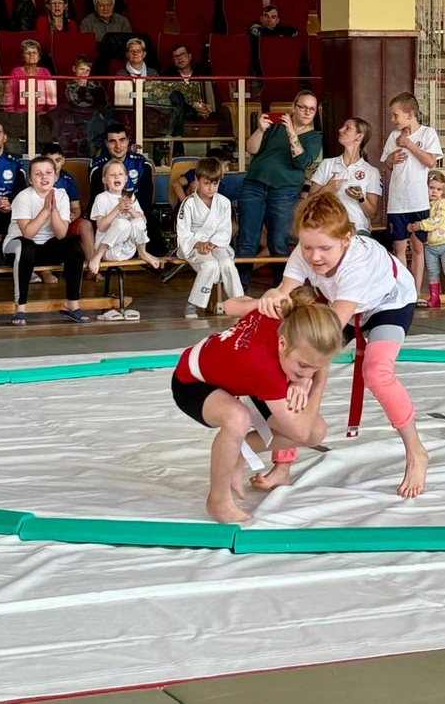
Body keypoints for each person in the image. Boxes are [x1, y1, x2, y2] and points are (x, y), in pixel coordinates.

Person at [256, 193, 429, 498]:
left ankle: (416, 451)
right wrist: (272, 295)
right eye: (308, 247)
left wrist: (306, 376)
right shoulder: (305, 253)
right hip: (339, 302)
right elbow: (285, 293)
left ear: (346, 240)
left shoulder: (357, 266)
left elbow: (331, 332)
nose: (315, 257)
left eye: (325, 249)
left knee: (376, 371)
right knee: (289, 360)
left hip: (389, 301)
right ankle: (282, 467)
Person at [172, 285, 344, 523]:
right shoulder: (266, 367)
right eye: (304, 366)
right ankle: (218, 500)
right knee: (237, 418)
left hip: (239, 380)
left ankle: (240, 451)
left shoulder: (287, 315)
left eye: (318, 365)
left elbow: (230, 305)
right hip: (191, 381)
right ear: (283, 344)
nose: (310, 372)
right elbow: (299, 432)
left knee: (318, 431)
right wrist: (318, 381)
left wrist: (302, 380)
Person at [235, 90, 322, 287]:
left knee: (279, 243)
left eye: (312, 109)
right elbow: (251, 148)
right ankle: (238, 289)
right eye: (303, 107)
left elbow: (302, 161)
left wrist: (291, 130)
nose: (307, 112)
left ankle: (282, 290)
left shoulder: (313, 137)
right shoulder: (275, 126)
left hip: (286, 191)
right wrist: (259, 130)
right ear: (294, 107)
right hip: (255, 184)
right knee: (247, 238)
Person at [2, 155, 89, 325]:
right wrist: (45, 210)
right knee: (25, 246)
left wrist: (54, 209)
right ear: (30, 179)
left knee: (72, 244)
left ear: (56, 177)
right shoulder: (23, 197)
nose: (44, 177)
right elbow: (27, 234)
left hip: (47, 247)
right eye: (38, 174)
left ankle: (72, 304)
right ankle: (20, 308)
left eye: (48, 173)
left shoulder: (61, 195)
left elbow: (61, 234)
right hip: (18, 247)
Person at [381, 91, 442, 294]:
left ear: (410, 114)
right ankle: (403, 292)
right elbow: (387, 164)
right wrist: (391, 159)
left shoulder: (427, 134)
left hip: (418, 202)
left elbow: (431, 161)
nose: (392, 119)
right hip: (397, 201)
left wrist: (409, 144)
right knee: (398, 248)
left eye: (395, 114)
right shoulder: (393, 136)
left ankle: (415, 292)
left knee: (418, 247)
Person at [177, 156, 241, 318]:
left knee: (227, 263)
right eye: (207, 183)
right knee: (211, 265)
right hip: (194, 247)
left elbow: (225, 230)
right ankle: (193, 304)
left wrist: (212, 244)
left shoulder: (224, 203)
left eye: (215, 184)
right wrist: (199, 244)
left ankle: (240, 301)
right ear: (197, 181)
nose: (211, 188)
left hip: (217, 244)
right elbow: (183, 232)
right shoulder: (189, 203)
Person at [308, 117, 380, 237]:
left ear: (359, 137)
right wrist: (326, 189)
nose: (341, 130)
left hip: (357, 229)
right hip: (327, 228)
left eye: (347, 128)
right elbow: (309, 201)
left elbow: (372, 214)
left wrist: (361, 198)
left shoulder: (371, 172)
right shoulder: (327, 164)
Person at [88, 159, 161, 276]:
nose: (117, 176)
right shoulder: (101, 198)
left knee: (138, 221)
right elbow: (101, 227)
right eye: (112, 175)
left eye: (120, 174)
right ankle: (97, 256)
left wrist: (131, 210)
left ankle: (142, 252)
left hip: (127, 249)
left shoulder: (130, 197)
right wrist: (118, 208)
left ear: (126, 179)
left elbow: (143, 222)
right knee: (123, 223)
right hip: (108, 250)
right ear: (104, 180)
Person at [409, 170, 445, 310]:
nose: (434, 192)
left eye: (438, 189)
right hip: (430, 245)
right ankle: (434, 297)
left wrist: (420, 225)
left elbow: (436, 221)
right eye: (431, 188)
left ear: (443, 190)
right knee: (433, 272)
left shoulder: (442, 204)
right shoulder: (424, 205)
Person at [167, 43, 235, 149]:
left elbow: (213, 93)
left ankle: (229, 149)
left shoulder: (203, 71)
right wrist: (194, 107)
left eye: (182, 55)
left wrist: (209, 107)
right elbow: (171, 99)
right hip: (184, 111)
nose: (179, 59)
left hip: (204, 108)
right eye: (176, 56)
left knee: (225, 111)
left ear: (190, 56)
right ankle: (177, 149)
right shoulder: (168, 74)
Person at [44, 142, 95, 279]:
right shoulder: (40, 178)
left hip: (66, 221)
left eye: (58, 160)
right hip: (45, 222)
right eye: (50, 161)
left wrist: (73, 215)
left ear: (63, 161)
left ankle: (92, 267)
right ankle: (45, 271)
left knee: (86, 225)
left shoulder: (68, 179)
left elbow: (76, 207)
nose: (54, 165)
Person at [58, 55, 109, 156]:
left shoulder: (96, 85)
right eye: (81, 69)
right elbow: (72, 103)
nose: (84, 73)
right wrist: (81, 88)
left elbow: (102, 104)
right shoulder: (67, 85)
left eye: (87, 70)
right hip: (72, 118)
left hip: (91, 117)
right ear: (74, 69)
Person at [2, 38, 58, 114]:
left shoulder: (45, 72)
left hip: (40, 114)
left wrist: (51, 115)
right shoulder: (16, 72)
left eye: (34, 53)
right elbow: (8, 99)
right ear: (22, 57)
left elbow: (51, 99)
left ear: (39, 56)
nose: (31, 55)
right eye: (27, 53)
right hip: (19, 115)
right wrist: (12, 116)